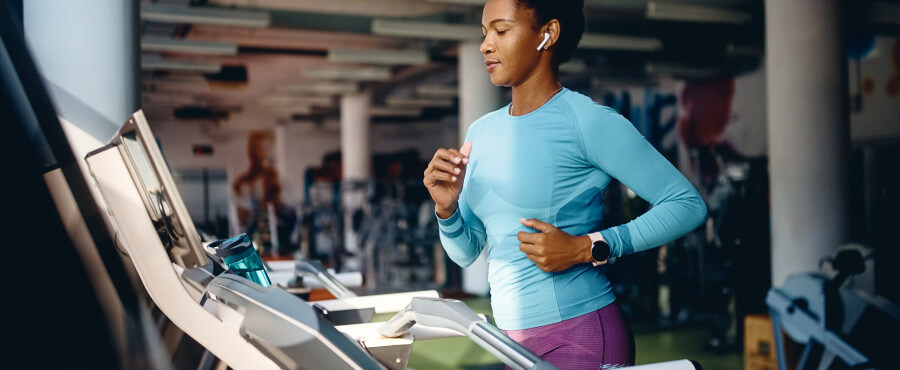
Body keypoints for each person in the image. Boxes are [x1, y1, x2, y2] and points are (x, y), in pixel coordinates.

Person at [422, 0, 708, 367]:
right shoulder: (481, 131)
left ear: (548, 34)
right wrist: (447, 209)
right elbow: (466, 253)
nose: (485, 44)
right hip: (511, 343)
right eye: (484, 33)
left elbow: (687, 205)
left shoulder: (588, 121)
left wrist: (586, 248)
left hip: (580, 333)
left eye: (501, 30)